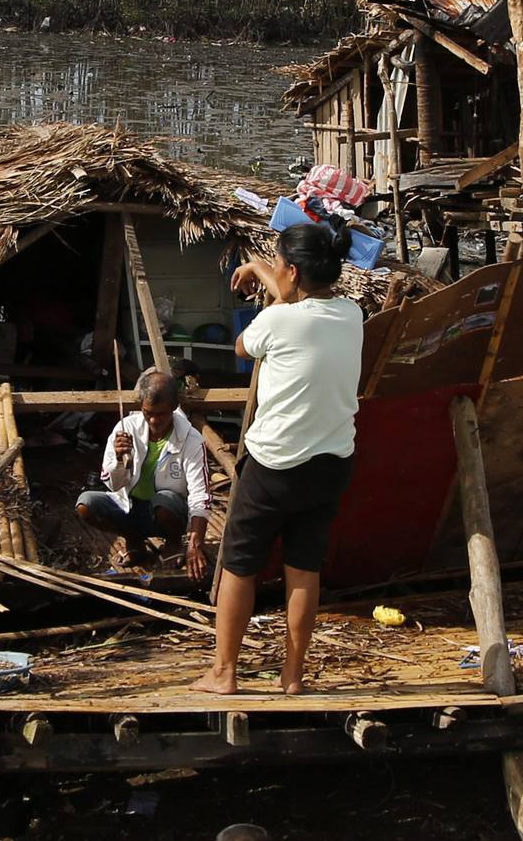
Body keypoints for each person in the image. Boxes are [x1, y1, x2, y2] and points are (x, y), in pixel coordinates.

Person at [193, 223, 362, 696]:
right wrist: (263, 269)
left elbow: (243, 346)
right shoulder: (352, 315)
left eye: (279, 265)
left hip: (274, 466)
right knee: (304, 568)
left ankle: (225, 672)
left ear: (291, 270)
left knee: (239, 566)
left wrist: (262, 276)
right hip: (330, 463)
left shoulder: (276, 321)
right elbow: (300, 297)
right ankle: (293, 674)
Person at [76, 370, 211, 577]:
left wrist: (195, 544)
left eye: (161, 414)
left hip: (167, 510)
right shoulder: (126, 429)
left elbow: (200, 496)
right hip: (130, 507)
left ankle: (174, 542)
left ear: (174, 408)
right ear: (141, 408)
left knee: (164, 501)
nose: (154, 420)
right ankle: (134, 539)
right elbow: (112, 484)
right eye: (149, 413)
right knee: (86, 504)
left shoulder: (192, 440)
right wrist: (121, 459)